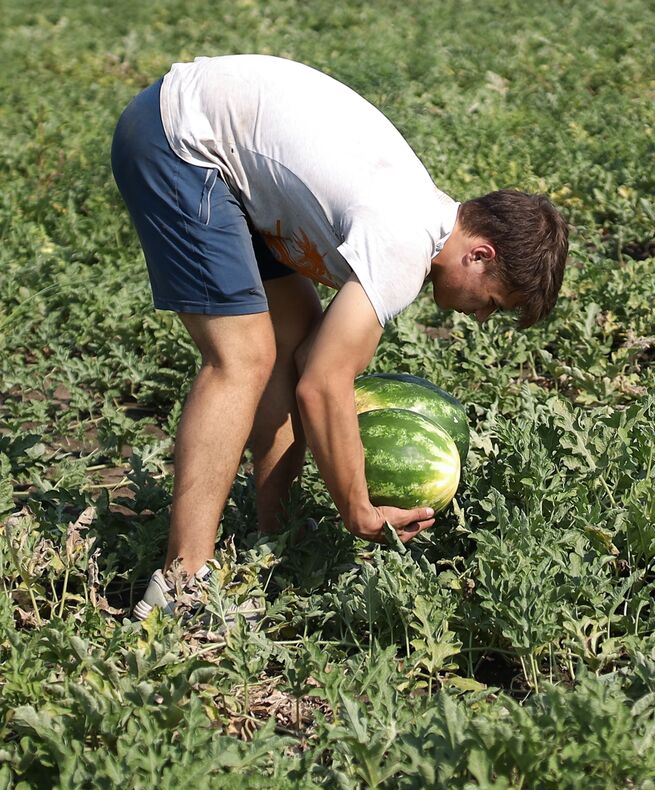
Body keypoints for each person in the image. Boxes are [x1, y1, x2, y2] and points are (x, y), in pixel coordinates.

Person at [110, 54, 568, 621]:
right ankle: (181, 588)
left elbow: (311, 362)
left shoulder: (416, 216)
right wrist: (358, 509)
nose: (478, 319)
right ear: (480, 255)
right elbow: (324, 387)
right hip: (179, 140)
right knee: (243, 357)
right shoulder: (406, 243)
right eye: (492, 304)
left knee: (293, 340)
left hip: (220, 157)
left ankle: (274, 537)